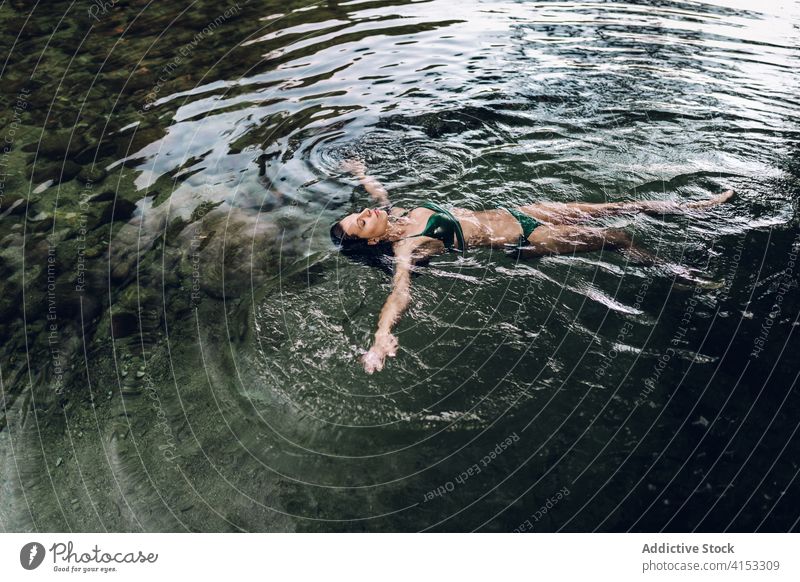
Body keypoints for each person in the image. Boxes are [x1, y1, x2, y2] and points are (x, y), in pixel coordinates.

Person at [330, 159, 735, 373]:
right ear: (373, 240)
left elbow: (378, 194)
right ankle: (677, 275)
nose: (367, 212)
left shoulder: (393, 213)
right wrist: (382, 336)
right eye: (362, 222)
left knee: (618, 206)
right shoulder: (408, 246)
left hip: (520, 211)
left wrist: (360, 173)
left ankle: (696, 207)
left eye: (362, 212)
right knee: (616, 238)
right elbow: (401, 290)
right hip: (525, 239)